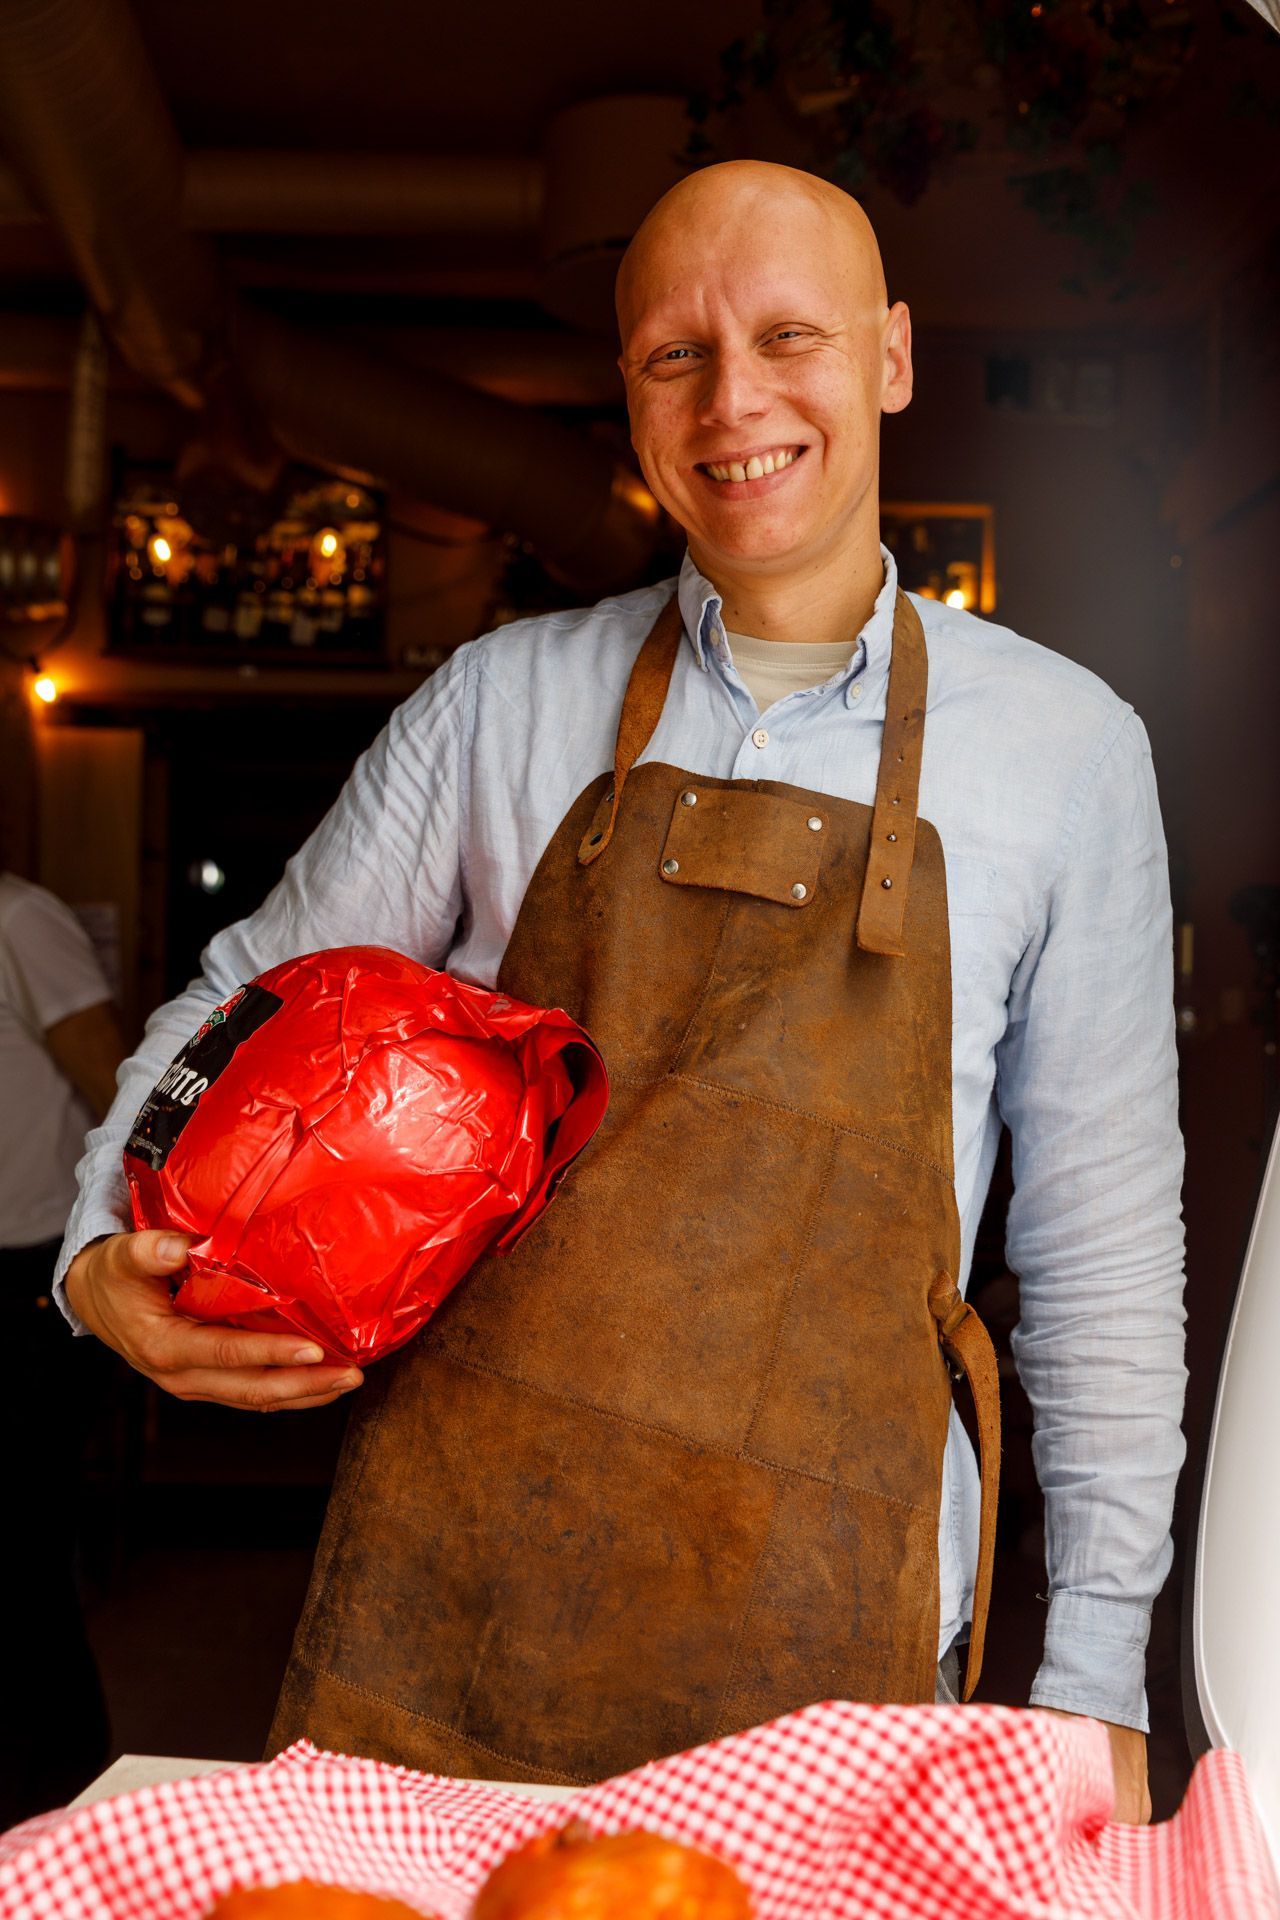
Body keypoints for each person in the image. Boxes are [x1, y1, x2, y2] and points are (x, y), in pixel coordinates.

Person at [55, 163, 1185, 1824]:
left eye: (789, 335)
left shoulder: (1068, 748)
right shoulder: (496, 702)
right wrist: (97, 1256)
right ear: (628, 392)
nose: (735, 401)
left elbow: (1101, 1255)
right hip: (452, 1599)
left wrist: (1096, 1681)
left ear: (891, 356)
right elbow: (242, 1003)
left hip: (841, 1627)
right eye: (675, 355)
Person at [0, 870, 123, 1825]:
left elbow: (115, 1097)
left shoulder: (21, 917)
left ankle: (64, 1811)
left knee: (22, 1562)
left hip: (27, 1279)